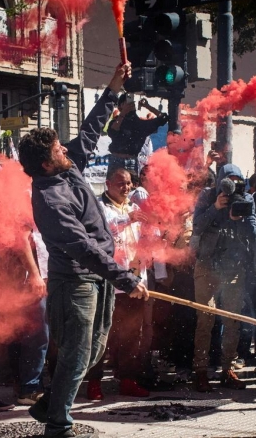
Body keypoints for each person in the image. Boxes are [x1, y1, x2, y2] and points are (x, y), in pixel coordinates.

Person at [18, 63, 149, 438]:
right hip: (75, 280)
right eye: (58, 148)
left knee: (94, 350)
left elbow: (91, 130)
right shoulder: (49, 199)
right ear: (46, 163)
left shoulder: (66, 167)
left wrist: (112, 88)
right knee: (77, 352)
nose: (66, 148)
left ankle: (49, 405)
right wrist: (124, 278)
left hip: (100, 276)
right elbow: (81, 246)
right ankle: (58, 426)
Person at [86, 166, 153, 400]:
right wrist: (127, 219)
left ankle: (127, 380)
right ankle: (93, 383)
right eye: (120, 183)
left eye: (128, 183)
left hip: (133, 283)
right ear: (108, 184)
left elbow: (145, 240)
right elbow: (100, 233)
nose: (126, 188)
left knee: (131, 335)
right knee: (101, 334)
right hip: (108, 283)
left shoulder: (135, 208)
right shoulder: (99, 208)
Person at [190, 163, 256, 392]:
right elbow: (197, 227)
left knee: (232, 320)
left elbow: (255, 232)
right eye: (228, 179)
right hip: (207, 265)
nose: (232, 185)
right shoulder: (207, 196)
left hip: (233, 268)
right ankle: (200, 371)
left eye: (236, 180)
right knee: (205, 318)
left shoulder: (246, 199)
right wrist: (216, 208)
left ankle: (228, 369)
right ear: (220, 181)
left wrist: (239, 219)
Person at [107, 95, 168, 173]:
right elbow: (112, 132)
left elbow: (163, 118)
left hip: (132, 161)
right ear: (120, 106)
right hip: (116, 160)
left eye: (132, 103)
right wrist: (123, 113)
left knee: (132, 184)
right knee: (114, 184)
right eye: (127, 103)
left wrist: (147, 106)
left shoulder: (140, 124)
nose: (130, 105)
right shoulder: (116, 122)